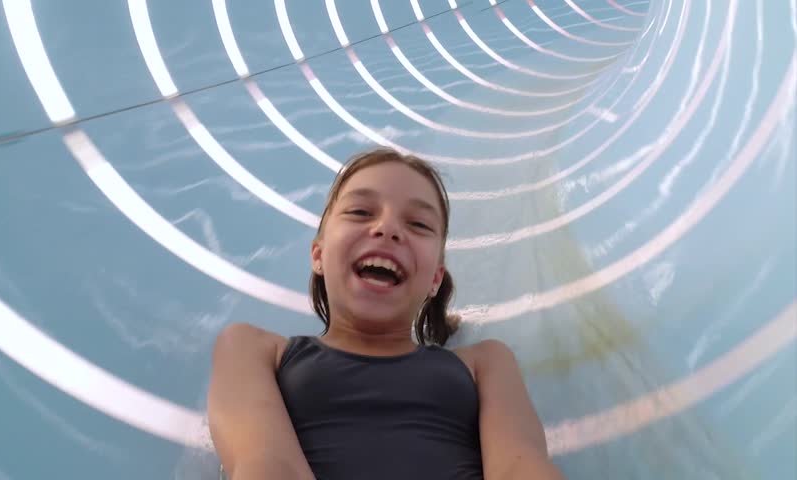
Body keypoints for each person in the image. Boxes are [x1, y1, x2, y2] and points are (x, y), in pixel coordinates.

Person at [207, 148, 564, 480]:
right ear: (318, 255)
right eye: (360, 212)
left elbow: (520, 465)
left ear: (435, 280)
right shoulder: (252, 347)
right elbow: (266, 464)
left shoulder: (485, 362)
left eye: (419, 224)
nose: (388, 228)